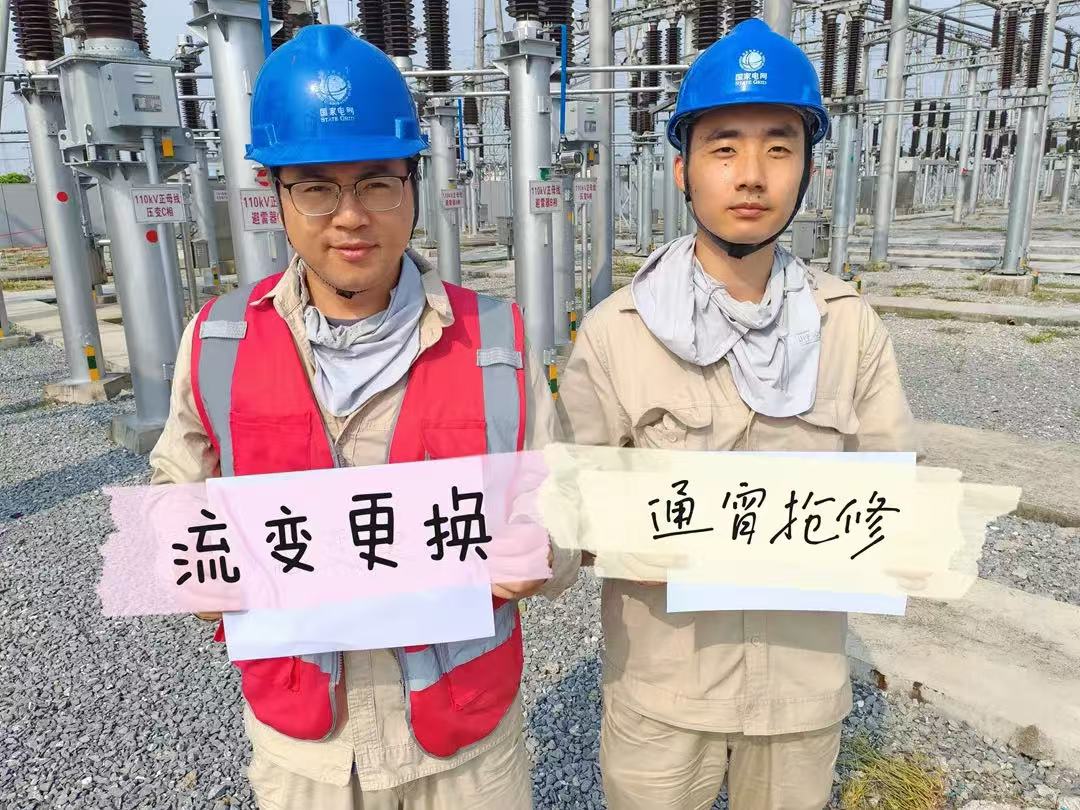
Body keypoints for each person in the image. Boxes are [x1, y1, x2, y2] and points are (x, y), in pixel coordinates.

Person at [149, 24, 577, 810]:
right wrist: (188, 555)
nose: (349, 216)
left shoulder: (498, 344)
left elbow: (564, 509)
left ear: (413, 183)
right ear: (276, 194)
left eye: (377, 183)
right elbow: (177, 490)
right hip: (306, 754)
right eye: (316, 187)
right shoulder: (217, 342)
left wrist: (544, 549)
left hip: (465, 751)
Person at [558, 18, 914, 810]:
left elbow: (893, 504)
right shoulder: (619, 333)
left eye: (779, 148)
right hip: (664, 699)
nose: (751, 175)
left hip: (799, 699)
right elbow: (567, 507)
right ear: (682, 169)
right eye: (724, 148)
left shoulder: (849, 329)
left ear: (809, 169)